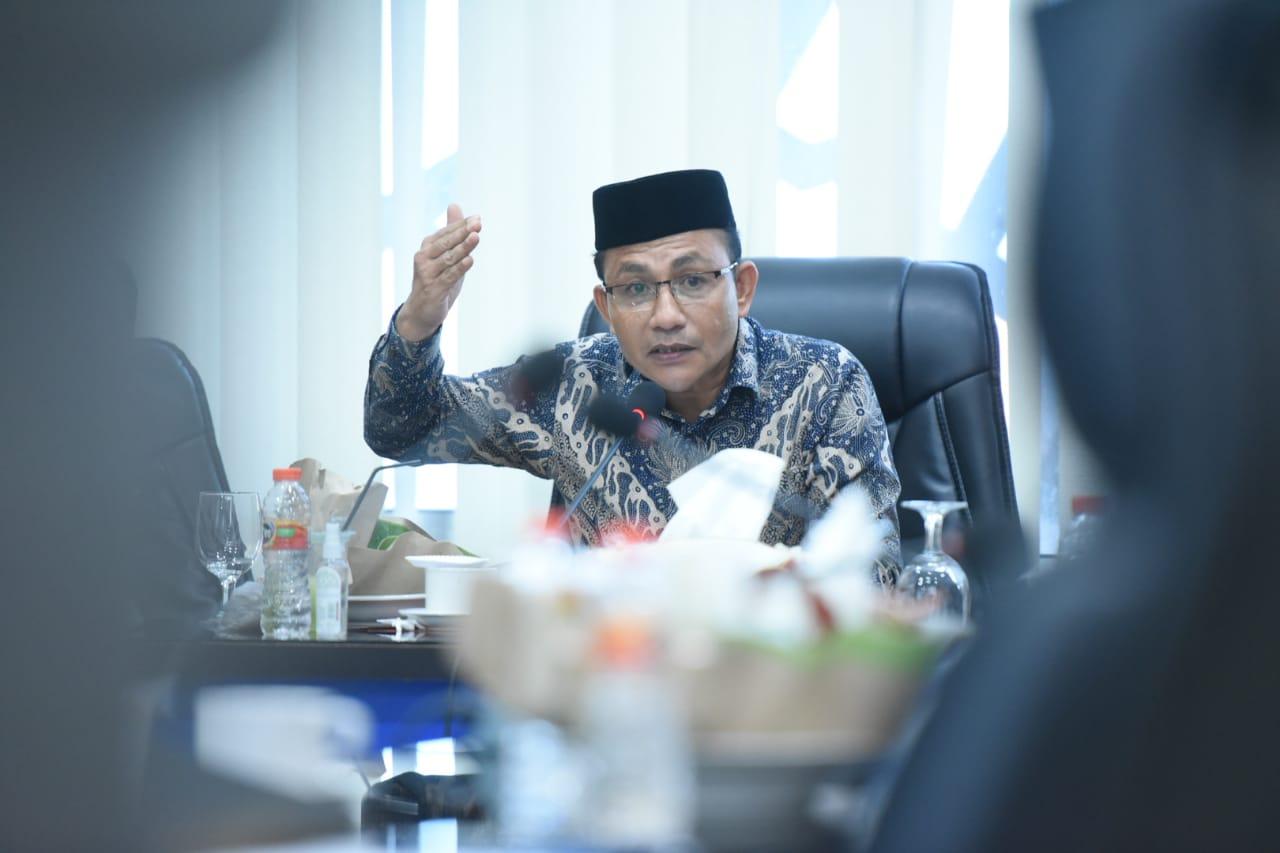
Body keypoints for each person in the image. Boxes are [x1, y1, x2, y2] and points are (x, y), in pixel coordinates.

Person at [364, 169, 900, 577]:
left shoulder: (824, 383)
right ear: (607, 305)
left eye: (693, 280)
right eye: (637, 288)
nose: (666, 316)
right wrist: (418, 321)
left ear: (741, 289)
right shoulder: (575, 384)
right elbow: (402, 430)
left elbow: (872, 577)